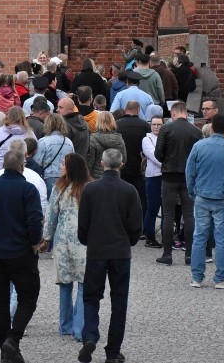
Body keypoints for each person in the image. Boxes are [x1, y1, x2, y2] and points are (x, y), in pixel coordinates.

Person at [0, 149, 44, 363]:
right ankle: (13, 339)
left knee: (0, 301)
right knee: (29, 296)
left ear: (3, 166)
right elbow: (34, 220)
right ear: (23, 166)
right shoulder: (28, 189)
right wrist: (34, 242)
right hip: (21, 251)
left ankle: (4, 344)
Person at [77, 149, 142, 363]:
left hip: (96, 250)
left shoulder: (90, 189)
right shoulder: (129, 190)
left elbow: (83, 223)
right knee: (119, 301)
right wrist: (129, 241)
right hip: (120, 251)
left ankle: (90, 335)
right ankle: (113, 351)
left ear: (103, 164)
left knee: (91, 297)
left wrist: (87, 240)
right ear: (121, 164)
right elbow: (136, 226)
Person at [185, 113, 224, 289]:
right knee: (222, 239)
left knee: (199, 236)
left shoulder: (199, 146)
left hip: (202, 196)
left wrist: (193, 193)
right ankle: (220, 278)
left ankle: (196, 277)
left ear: (211, 128)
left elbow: (190, 173)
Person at [41, 154, 91, 342]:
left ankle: (65, 326)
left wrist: (46, 238)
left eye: (63, 163)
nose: (61, 166)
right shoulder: (89, 188)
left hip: (63, 242)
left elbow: (51, 215)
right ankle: (80, 328)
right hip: (84, 242)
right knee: (84, 284)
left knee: (65, 284)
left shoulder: (59, 188)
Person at [154, 101, 202, 266]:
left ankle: (167, 254)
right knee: (189, 215)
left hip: (169, 174)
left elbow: (158, 153)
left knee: (168, 215)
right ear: (186, 113)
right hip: (188, 177)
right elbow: (198, 156)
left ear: (173, 113)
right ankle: (189, 255)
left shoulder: (166, 129)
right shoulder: (196, 131)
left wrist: (167, 160)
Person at [141, 116, 163, 247]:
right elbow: (153, 155)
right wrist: (168, 165)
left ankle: (167, 237)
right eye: (154, 124)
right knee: (152, 207)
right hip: (153, 176)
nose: (156, 127)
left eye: (159, 124)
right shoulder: (147, 139)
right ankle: (150, 236)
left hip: (165, 175)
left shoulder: (166, 137)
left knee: (166, 208)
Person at [86, 111, 127, 180]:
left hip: (95, 178)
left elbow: (89, 163)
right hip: (114, 177)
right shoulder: (119, 139)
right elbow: (123, 160)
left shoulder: (93, 139)